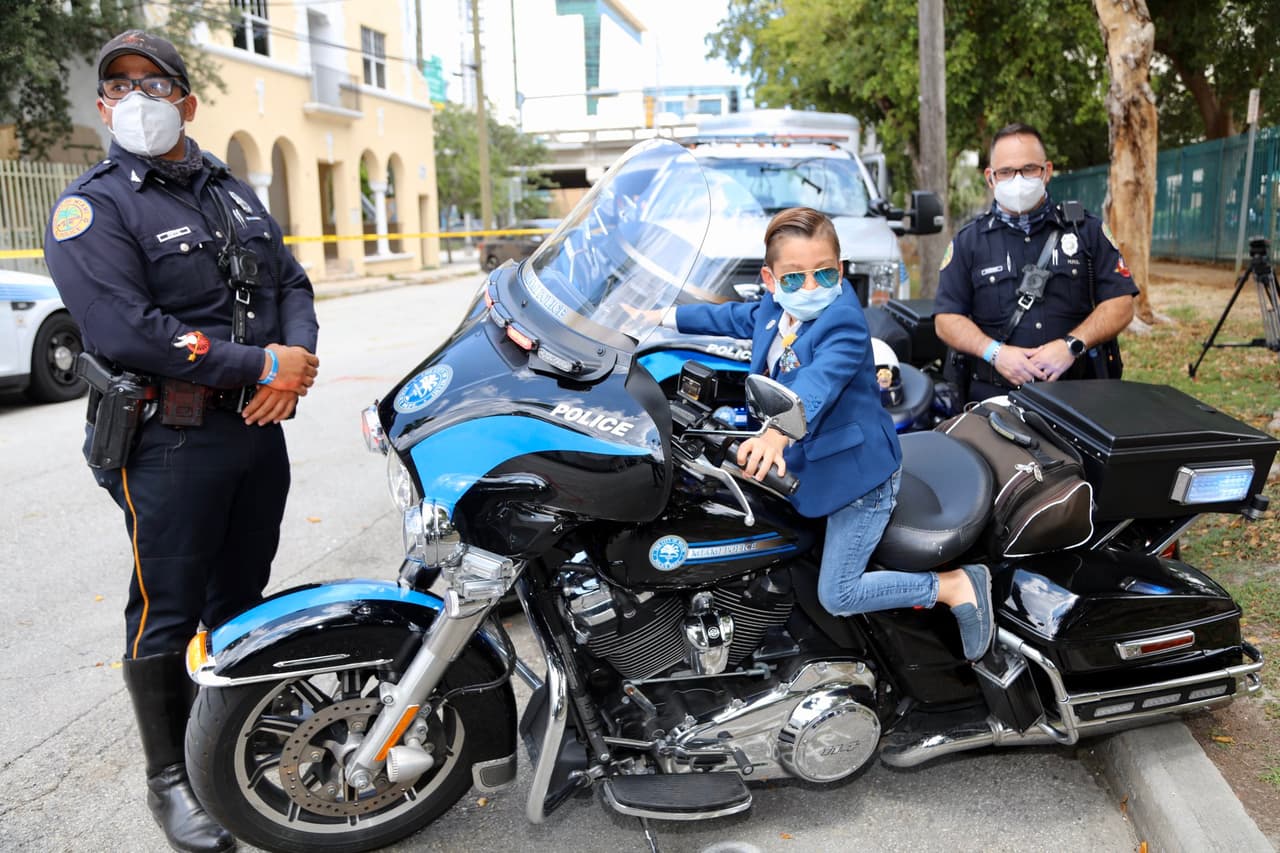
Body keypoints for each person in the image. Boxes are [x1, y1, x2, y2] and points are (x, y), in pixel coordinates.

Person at [43, 30, 320, 853]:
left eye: (154, 83)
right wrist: (259, 359)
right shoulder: (93, 206)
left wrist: (292, 363)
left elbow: (290, 282)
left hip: (255, 426)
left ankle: (232, 728)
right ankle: (171, 779)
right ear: (102, 106)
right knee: (165, 610)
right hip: (169, 435)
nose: (136, 98)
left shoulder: (230, 190)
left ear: (186, 104)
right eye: (119, 85)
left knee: (241, 590)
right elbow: (124, 328)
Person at [670, 207, 994, 662]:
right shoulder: (774, 308)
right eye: (793, 278)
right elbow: (736, 319)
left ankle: (953, 586)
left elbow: (817, 383)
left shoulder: (842, 323)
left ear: (840, 272)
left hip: (857, 479)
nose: (809, 288)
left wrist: (776, 435)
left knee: (839, 593)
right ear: (770, 280)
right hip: (813, 461)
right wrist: (661, 316)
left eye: (823, 275)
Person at [935, 123, 1138, 402]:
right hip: (995, 399)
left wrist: (1071, 346)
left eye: (1029, 168)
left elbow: (1122, 303)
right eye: (1006, 171)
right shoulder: (968, 242)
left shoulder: (1086, 231)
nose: (1018, 180)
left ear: (1047, 171)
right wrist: (995, 353)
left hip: (1080, 397)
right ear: (990, 177)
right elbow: (946, 319)